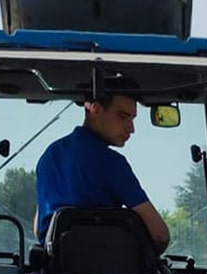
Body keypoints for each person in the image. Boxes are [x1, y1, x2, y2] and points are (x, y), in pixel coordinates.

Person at [35, 94, 171, 252]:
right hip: (108, 272)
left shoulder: (48, 157)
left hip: (54, 272)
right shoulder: (112, 163)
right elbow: (160, 235)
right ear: (96, 109)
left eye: (132, 119)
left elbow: (39, 229)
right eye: (123, 117)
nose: (131, 129)